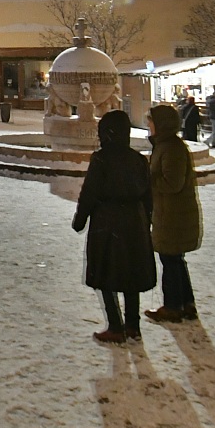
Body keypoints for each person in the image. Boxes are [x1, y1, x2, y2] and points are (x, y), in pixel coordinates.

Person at [72, 110, 156, 343]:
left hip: (107, 223)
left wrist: (80, 220)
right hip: (134, 222)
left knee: (104, 273)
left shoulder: (101, 159)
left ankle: (115, 326)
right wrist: (146, 219)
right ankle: (133, 326)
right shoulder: (138, 159)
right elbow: (149, 196)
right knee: (131, 275)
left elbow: (89, 193)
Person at [144, 104, 201, 323]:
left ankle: (173, 307)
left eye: (151, 121)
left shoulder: (171, 148)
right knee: (175, 260)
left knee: (170, 260)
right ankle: (186, 304)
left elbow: (172, 183)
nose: (149, 124)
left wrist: (148, 178)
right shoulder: (166, 145)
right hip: (171, 213)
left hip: (173, 215)